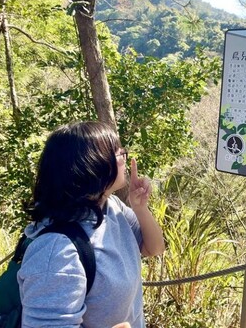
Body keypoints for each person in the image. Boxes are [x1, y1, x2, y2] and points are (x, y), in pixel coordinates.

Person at [17, 121, 165, 328]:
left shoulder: (110, 206)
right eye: (117, 152)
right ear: (93, 165)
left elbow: (154, 248)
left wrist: (140, 208)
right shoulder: (57, 252)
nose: (124, 155)